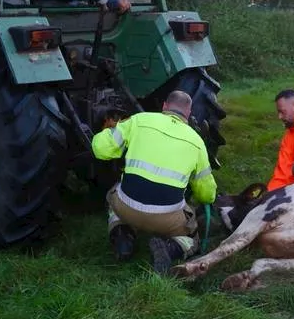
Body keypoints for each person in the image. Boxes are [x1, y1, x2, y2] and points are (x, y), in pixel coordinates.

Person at [91, 91, 216, 273]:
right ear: (188, 113)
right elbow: (207, 194)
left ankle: (123, 237)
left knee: (113, 195)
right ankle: (170, 248)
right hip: (166, 220)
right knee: (191, 236)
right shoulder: (197, 142)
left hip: (126, 207)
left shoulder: (138, 120)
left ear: (165, 106)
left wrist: (109, 129)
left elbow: (101, 149)